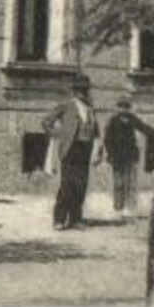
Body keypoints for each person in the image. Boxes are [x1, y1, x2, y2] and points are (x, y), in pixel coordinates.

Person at [42, 76, 100, 230]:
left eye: (85, 90)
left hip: (85, 149)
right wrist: (58, 134)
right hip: (70, 149)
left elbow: (96, 131)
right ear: (74, 92)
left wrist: (97, 149)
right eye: (79, 90)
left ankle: (76, 219)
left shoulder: (91, 109)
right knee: (67, 185)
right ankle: (59, 219)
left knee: (81, 185)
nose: (82, 93)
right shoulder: (67, 106)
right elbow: (46, 121)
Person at [101, 98, 154, 217]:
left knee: (130, 182)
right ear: (117, 108)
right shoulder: (113, 121)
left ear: (128, 109)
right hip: (116, 156)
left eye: (126, 107)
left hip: (130, 156)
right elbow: (107, 139)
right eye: (121, 107)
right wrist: (110, 153)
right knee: (118, 183)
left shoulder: (132, 119)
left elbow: (143, 128)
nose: (123, 110)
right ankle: (118, 208)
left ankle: (130, 207)